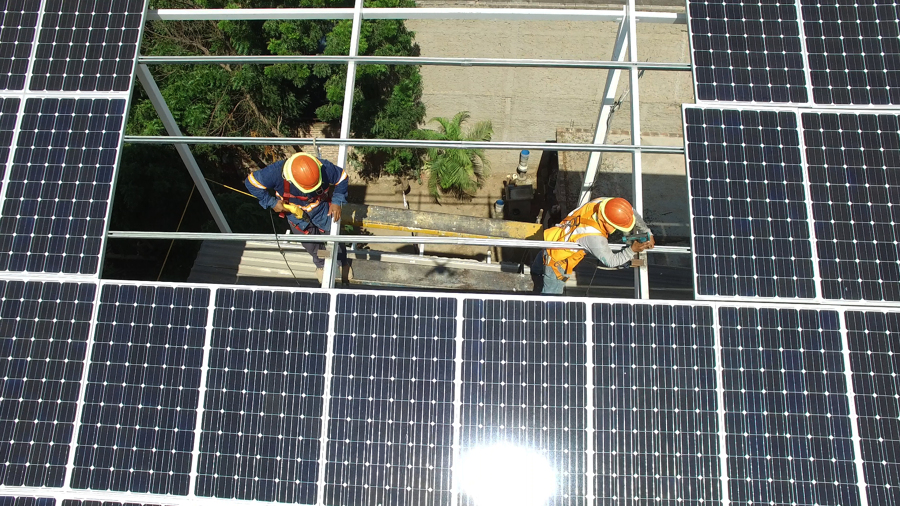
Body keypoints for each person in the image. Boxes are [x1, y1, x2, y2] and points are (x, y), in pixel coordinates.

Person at [245, 152, 351, 282]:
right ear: (290, 178)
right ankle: (322, 265)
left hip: (321, 209)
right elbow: (251, 182)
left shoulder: (323, 167)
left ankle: (342, 263)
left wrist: (337, 201)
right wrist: (271, 202)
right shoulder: (275, 172)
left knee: (335, 237)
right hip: (296, 215)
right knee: (312, 245)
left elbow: (342, 177)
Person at [531, 197, 655, 295]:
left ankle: (535, 275)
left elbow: (629, 211)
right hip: (558, 262)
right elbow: (611, 261)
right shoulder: (593, 237)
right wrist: (632, 250)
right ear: (607, 222)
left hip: (553, 238)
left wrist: (647, 231)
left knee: (538, 268)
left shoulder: (602, 203)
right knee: (551, 298)